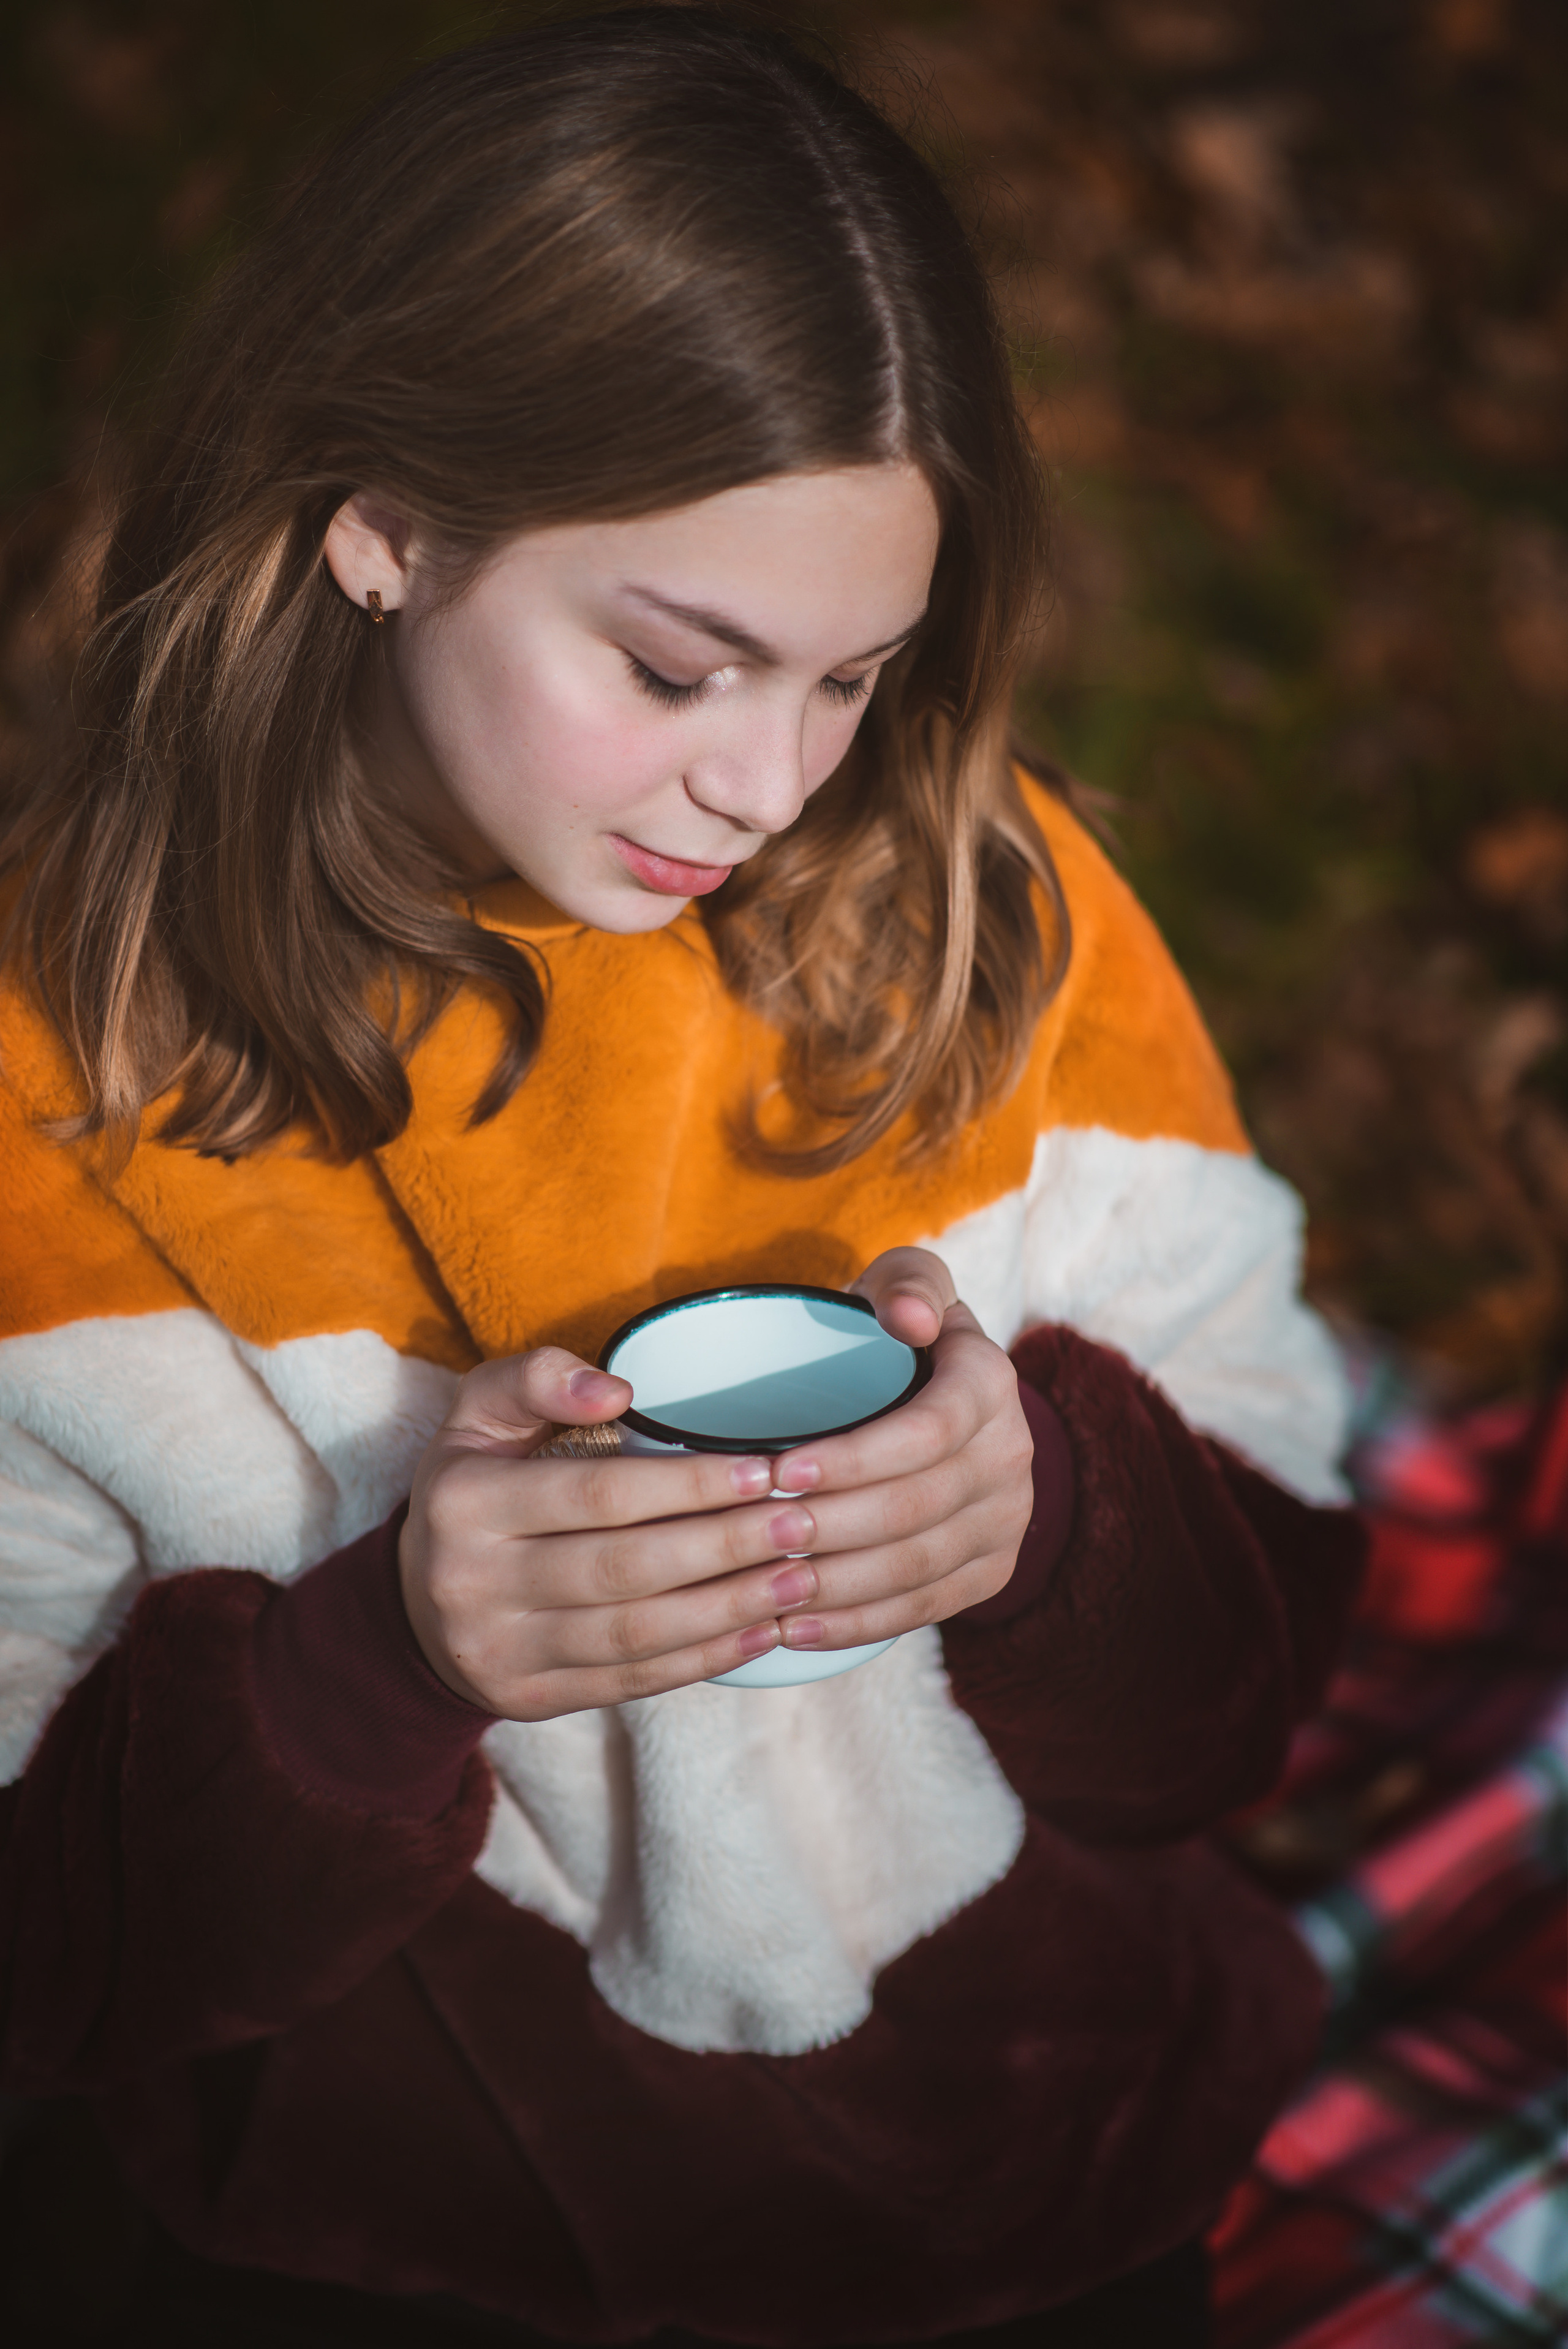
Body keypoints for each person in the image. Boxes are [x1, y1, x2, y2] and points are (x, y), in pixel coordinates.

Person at [0, 9, 1363, 2345]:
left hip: (1042, 2168)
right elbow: (48, 1964)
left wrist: (1047, 1520)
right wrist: (380, 1664)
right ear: (380, 522)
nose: (770, 786)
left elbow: (1248, 1696)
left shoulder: (988, 914)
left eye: (850, 679)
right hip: (399, 2236)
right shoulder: (59, 1102)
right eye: (675, 665)